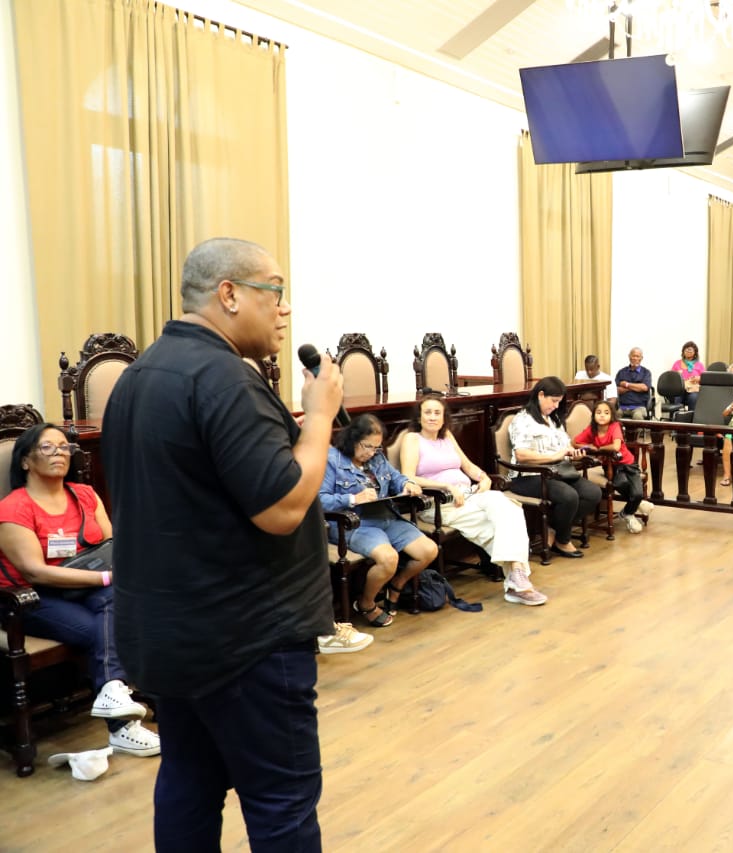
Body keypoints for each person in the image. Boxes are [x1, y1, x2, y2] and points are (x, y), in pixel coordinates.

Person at [101, 237, 343, 850]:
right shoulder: (223, 378)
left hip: (173, 632)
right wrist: (318, 416)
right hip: (246, 639)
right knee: (281, 803)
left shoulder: (141, 374)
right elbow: (284, 506)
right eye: (276, 291)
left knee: (189, 781)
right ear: (229, 294)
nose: (285, 309)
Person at [0, 423, 161, 758]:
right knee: (102, 624)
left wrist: (110, 577)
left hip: (83, 589)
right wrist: (104, 579)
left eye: (63, 447)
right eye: (47, 448)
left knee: (119, 603)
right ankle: (122, 722)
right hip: (29, 598)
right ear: (25, 461)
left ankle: (115, 696)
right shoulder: (14, 508)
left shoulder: (84, 495)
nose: (59, 453)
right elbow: (34, 570)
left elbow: (110, 544)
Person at [400, 394, 546, 605]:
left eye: (437, 413)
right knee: (491, 528)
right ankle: (517, 581)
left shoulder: (447, 436)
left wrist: (484, 477)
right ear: (419, 417)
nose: (432, 417)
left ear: (444, 417)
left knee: (509, 507)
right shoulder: (412, 439)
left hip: (469, 495)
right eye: (428, 413)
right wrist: (446, 486)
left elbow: (467, 466)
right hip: (439, 504)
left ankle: (516, 578)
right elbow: (408, 476)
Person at [318, 414, 436, 627]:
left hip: (385, 516)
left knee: (428, 550)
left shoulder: (377, 457)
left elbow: (395, 477)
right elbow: (319, 500)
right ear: (353, 439)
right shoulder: (331, 459)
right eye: (367, 447)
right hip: (354, 524)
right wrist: (353, 498)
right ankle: (366, 603)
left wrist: (406, 484)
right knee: (388, 558)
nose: (371, 452)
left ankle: (397, 585)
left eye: (376, 448)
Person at [506, 376, 603, 558]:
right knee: (569, 496)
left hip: (558, 471)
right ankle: (564, 540)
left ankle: (553, 529)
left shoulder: (553, 420)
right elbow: (522, 455)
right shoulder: (522, 420)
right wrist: (553, 456)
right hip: (529, 476)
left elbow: (565, 446)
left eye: (559, 402)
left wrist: (572, 453)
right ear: (541, 395)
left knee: (593, 493)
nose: (556, 406)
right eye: (554, 401)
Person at [573, 399, 654, 535]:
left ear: (611, 415)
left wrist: (598, 449)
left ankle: (626, 512)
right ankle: (636, 505)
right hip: (612, 467)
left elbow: (616, 447)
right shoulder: (591, 430)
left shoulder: (615, 426)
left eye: (606, 412)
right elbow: (574, 442)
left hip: (628, 464)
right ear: (593, 415)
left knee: (638, 493)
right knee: (620, 483)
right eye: (598, 412)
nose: (602, 415)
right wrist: (588, 447)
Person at [615, 347, 652, 419]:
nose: (635, 358)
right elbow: (616, 389)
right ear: (629, 357)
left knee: (637, 416)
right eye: (633, 356)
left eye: (637, 356)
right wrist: (636, 387)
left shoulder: (646, 372)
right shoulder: (621, 372)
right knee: (615, 417)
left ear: (641, 358)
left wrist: (626, 385)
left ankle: (640, 431)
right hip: (622, 406)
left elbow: (644, 388)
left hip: (639, 407)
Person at [670, 340, 704, 410]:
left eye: (690, 350)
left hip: (693, 389)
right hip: (680, 389)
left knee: (693, 397)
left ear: (695, 353)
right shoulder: (677, 363)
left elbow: (705, 378)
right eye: (686, 349)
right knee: (677, 397)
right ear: (683, 352)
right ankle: (676, 418)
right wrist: (677, 376)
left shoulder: (699, 365)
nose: (688, 351)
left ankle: (691, 419)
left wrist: (698, 378)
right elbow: (671, 377)